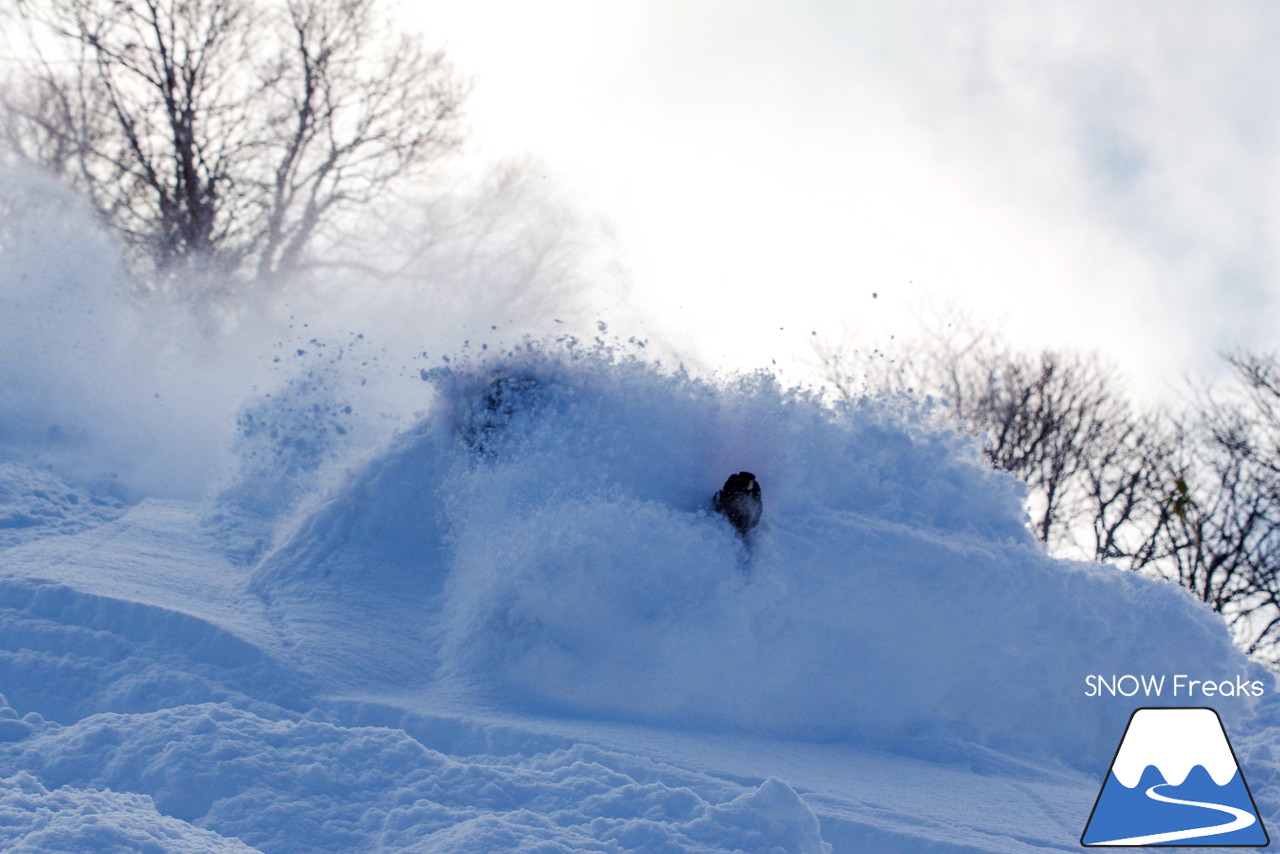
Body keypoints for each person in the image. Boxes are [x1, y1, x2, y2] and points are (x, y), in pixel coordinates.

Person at [713, 472, 762, 537]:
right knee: (742, 527)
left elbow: (725, 490)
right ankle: (743, 538)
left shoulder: (734, 478)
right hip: (744, 512)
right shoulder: (754, 484)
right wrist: (755, 521)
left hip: (729, 508)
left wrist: (718, 507)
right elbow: (758, 502)